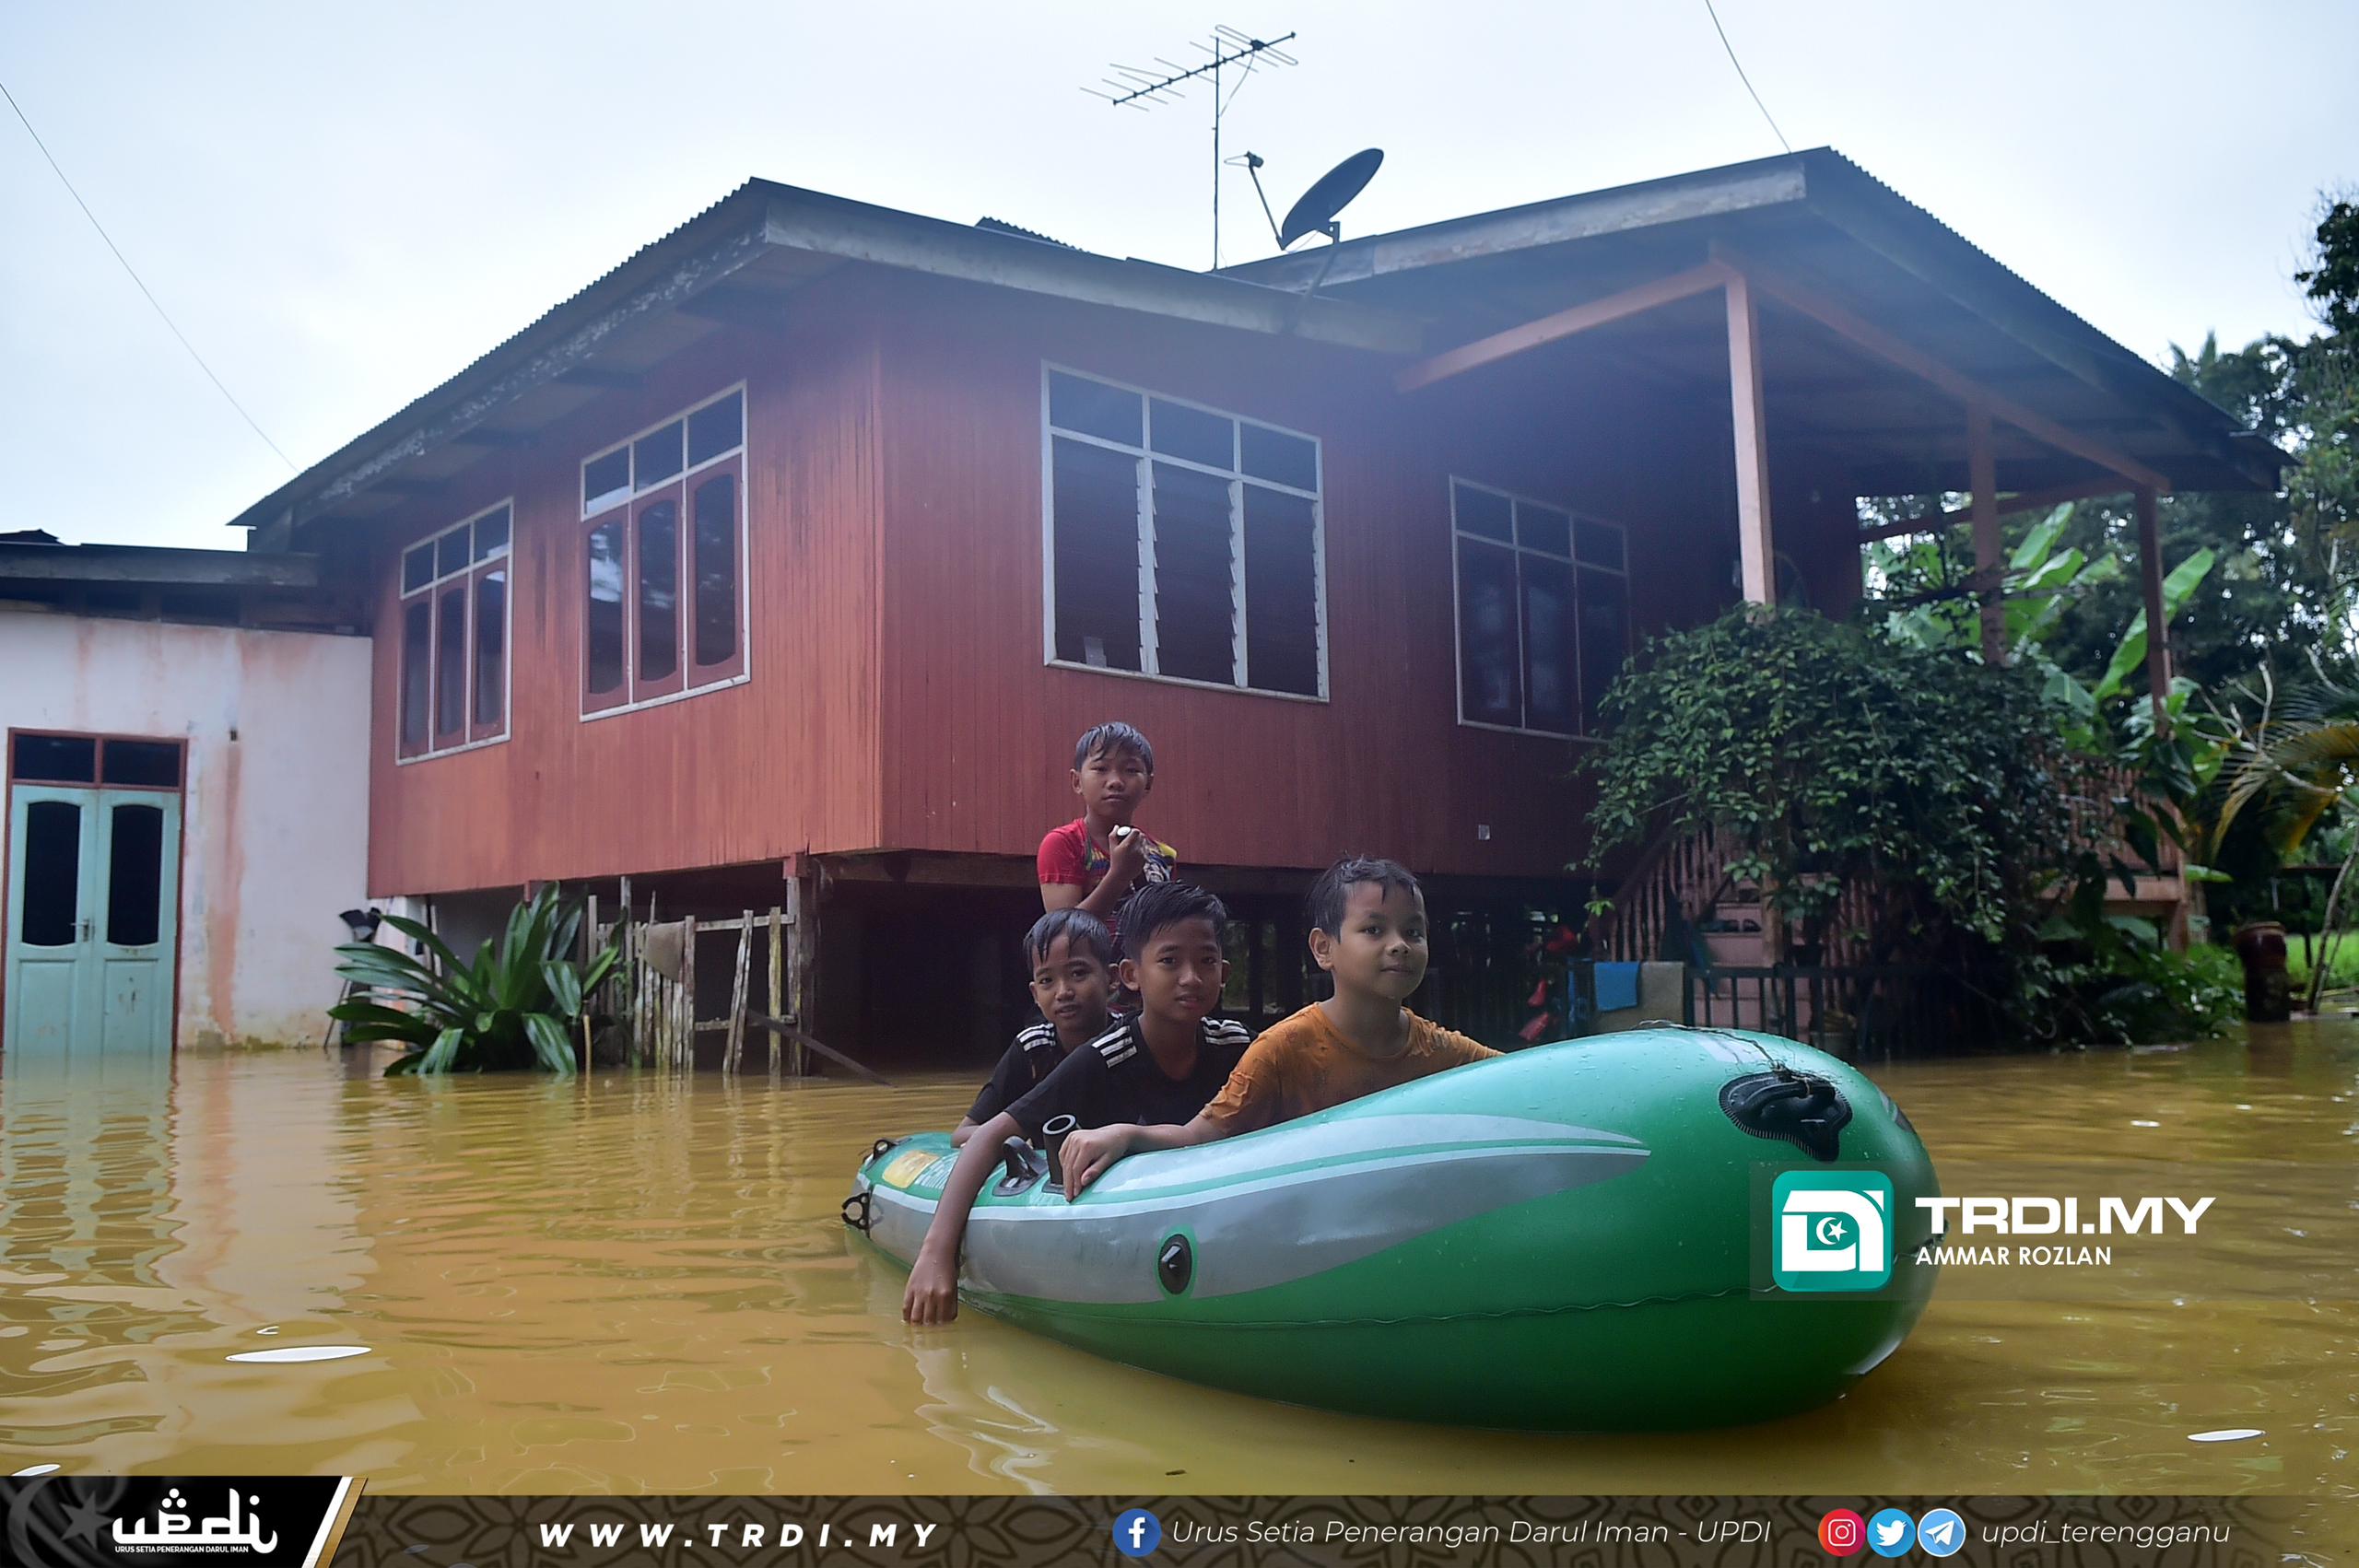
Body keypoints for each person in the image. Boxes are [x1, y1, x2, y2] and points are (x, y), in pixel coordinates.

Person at [902, 882, 1249, 1325]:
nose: (1191, 978)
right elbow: (985, 1134)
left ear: (1225, 971)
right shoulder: (1101, 1057)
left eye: (1206, 962)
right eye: (1169, 961)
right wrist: (937, 1253)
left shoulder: (1236, 1046)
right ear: (1130, 975)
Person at [1057, 858, 1498, 1195]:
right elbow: (1202, 1135)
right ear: (1323, 949)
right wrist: (1127, 1135)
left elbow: (1524, 1080)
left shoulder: (1443, 1051)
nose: (1399, 946)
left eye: (1414, 932)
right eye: (1374, 930)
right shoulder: (1283, 1048)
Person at [950, 908, 1115, 1147]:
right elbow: (963, 1134)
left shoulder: (1129, 1039)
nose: (1063, 992)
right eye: (1047, 980)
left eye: (1078, 973)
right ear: (1035, 994)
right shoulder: (1033, 1049)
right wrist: (1020, 1134)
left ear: (1111, 978)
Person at [1037, 722, 1176, 953]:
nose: (1115, 782)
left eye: (1131, 770)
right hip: (1091, 983)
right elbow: (1064, 937)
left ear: (1148, 783)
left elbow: (1165, 931)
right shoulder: (1064, 844)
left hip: (1147, 984)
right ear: (1077, 782)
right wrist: (1119, 875)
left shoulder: (1162, 854)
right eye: (1101, 769)